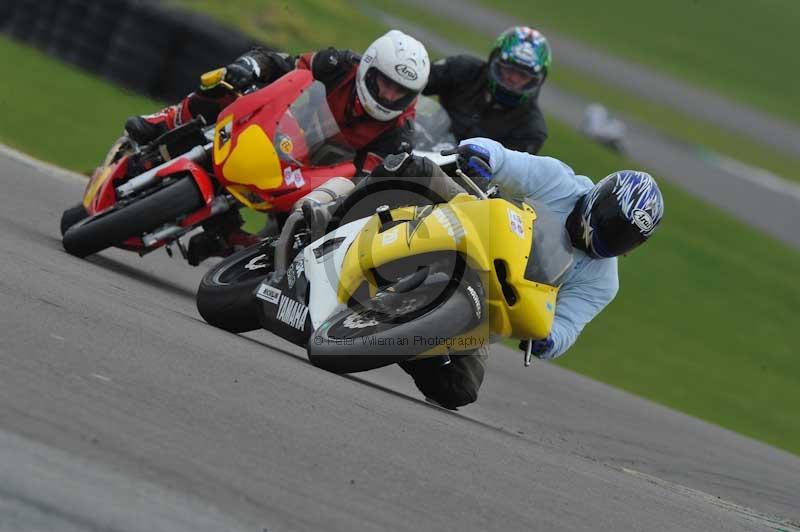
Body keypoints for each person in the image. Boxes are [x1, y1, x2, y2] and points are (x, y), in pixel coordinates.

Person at [302, 138, 664, 409]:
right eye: (612, 224)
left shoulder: (603, 282)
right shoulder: (561, 182)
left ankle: (397, 336)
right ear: (599, 199)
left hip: (490, 303)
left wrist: (549, 340)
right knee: (411, 167)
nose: (612, 239)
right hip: (473, 226)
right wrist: (481, 154)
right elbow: (509, 161)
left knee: (458, 389)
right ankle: (328, 219)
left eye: (625, 238)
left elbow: (569, 324)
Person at [124, 30, 430, 264]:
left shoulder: (399, 134)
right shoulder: (337, 64)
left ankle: (227, 241)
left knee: (303, 236)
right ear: (368, 67)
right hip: (277, 126)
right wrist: (249, 66)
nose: (389, 96)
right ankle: (165, 120)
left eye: (400, 92)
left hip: (308, 174)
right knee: (226, 85)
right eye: (385, 83)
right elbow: (283, 64)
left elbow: (361, 182)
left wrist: (328, 203)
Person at [421, 26, 551, 155]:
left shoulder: (531, 129)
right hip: (422, 145)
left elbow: (507, 167)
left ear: (536, 79)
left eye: (523, 75)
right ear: (495, 60)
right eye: (509, 69)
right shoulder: (463, 69)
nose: (513, 78)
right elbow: (415, 82)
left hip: (458, 167)